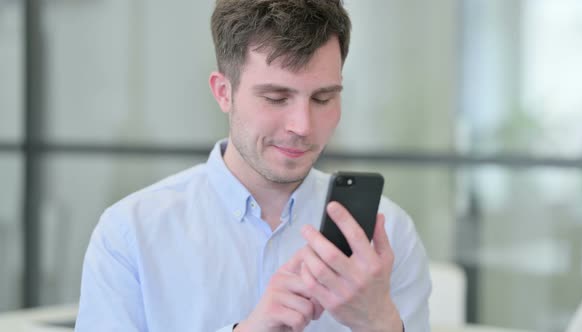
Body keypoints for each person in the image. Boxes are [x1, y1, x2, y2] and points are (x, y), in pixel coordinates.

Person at [75, 1, 431, 331]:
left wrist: (382, 323)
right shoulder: (130, 234)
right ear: (223, 92)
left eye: (323, 98)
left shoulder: (390, 235)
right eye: (276, 98)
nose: (302, 126)